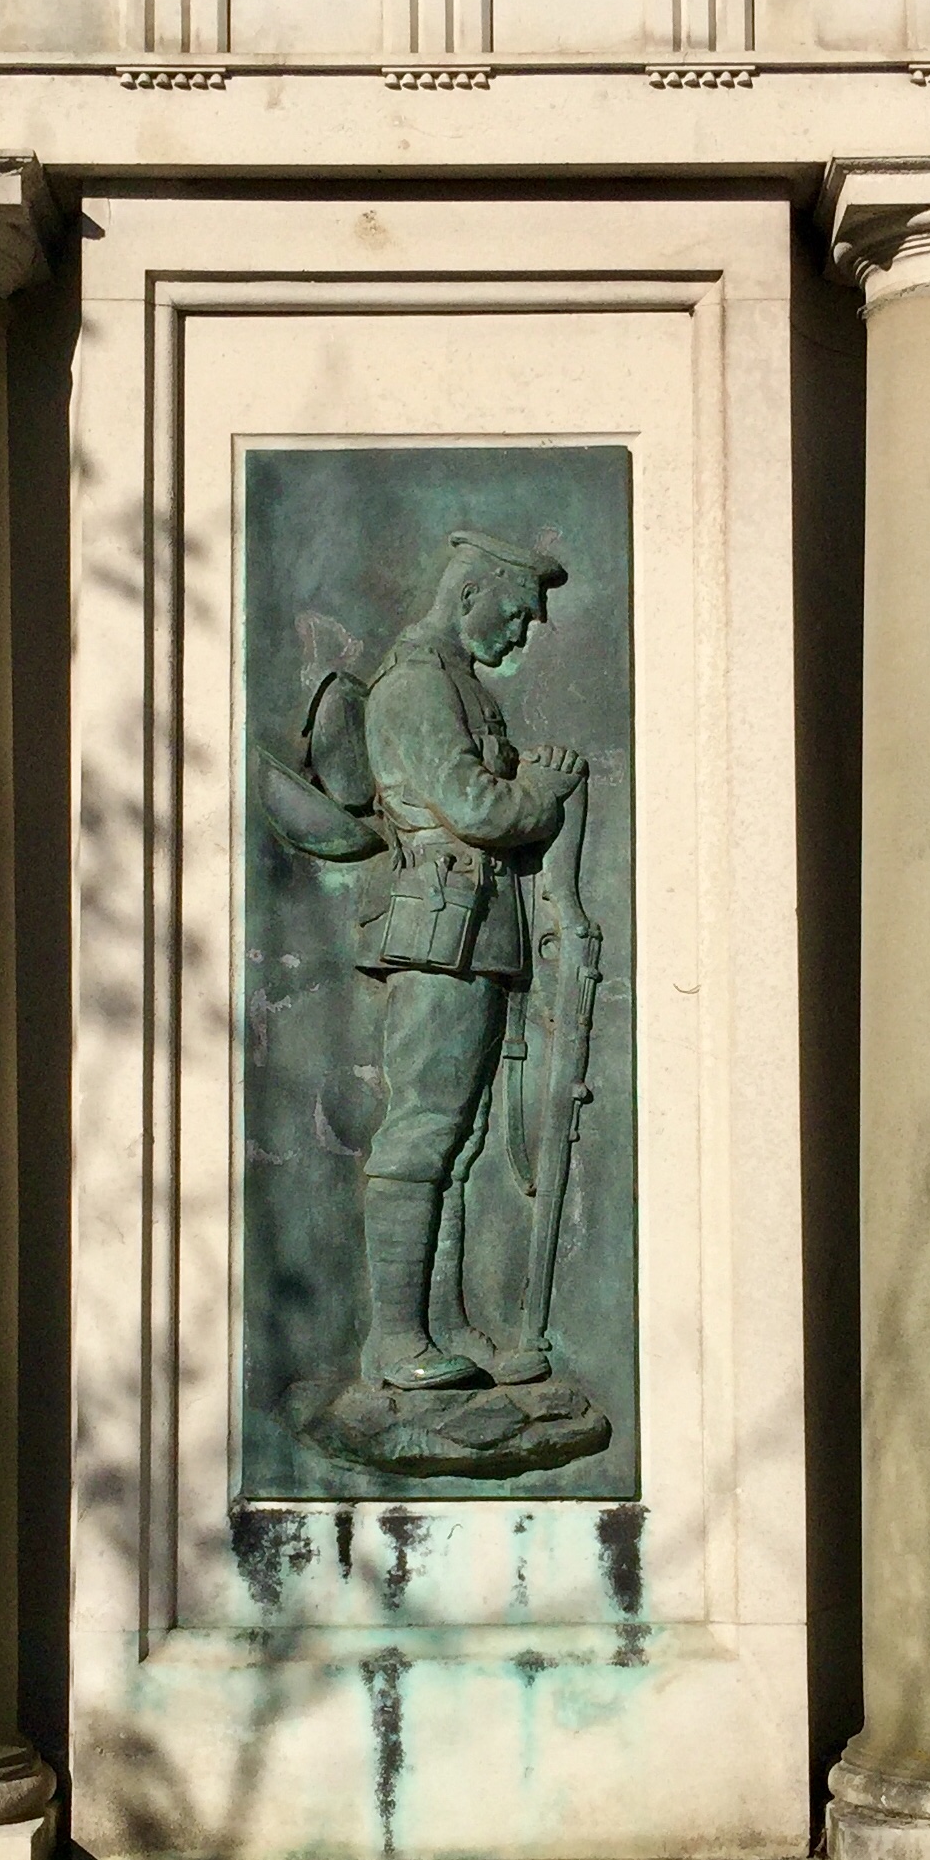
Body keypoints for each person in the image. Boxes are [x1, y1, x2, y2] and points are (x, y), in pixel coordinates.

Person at [354, 530, 583, 1390]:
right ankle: (395, 1343)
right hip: (440, 933)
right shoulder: (419, 682)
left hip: (473, 932)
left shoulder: (454, 681)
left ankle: (441, 1324)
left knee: (461, 1136)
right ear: (470, 593)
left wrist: (525, 774)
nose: (521, 634)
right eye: (515, 614)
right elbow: (475, 808)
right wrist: (540, 793)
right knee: (424, 1130)